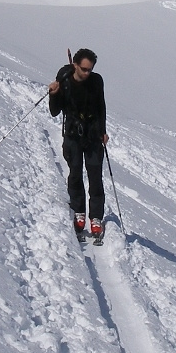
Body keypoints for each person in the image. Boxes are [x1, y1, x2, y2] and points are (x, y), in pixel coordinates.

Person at [49, 48, 108, 239]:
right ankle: (79, 210)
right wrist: (54, 94)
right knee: (75, 173)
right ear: (75, 65)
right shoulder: (65, 81)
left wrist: (103, 131)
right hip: (73, 135)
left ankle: (96, 217)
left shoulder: (96, 81)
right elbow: (54, 111)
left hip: (92, 136)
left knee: (95, 176)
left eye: (90, 69)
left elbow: (101, 107)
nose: (87, 73)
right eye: (84, 69)